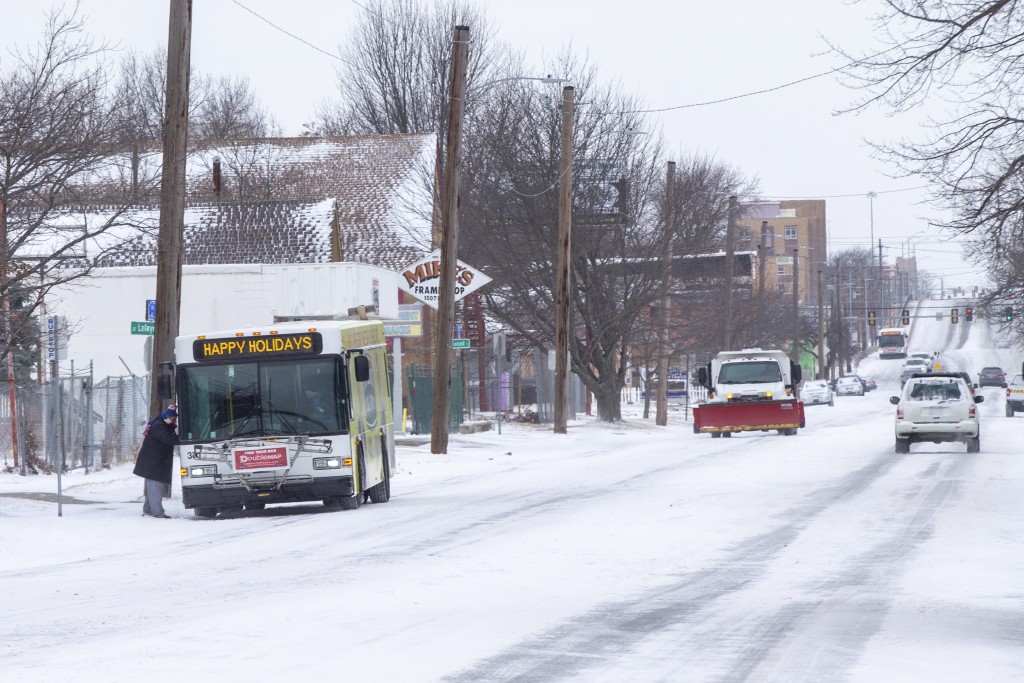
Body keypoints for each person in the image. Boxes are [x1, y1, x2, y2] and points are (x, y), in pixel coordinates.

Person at [133, 405, 179, 518]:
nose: (174, 421)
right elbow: (168, 439)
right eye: (174, 419)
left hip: (153, 461)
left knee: (152, 488)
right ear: (168, 416)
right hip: (154, 462)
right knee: (155, 487)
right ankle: (157, 512)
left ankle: (148, 509)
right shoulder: (159, 425)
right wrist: (184, 438)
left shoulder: (159, 424)